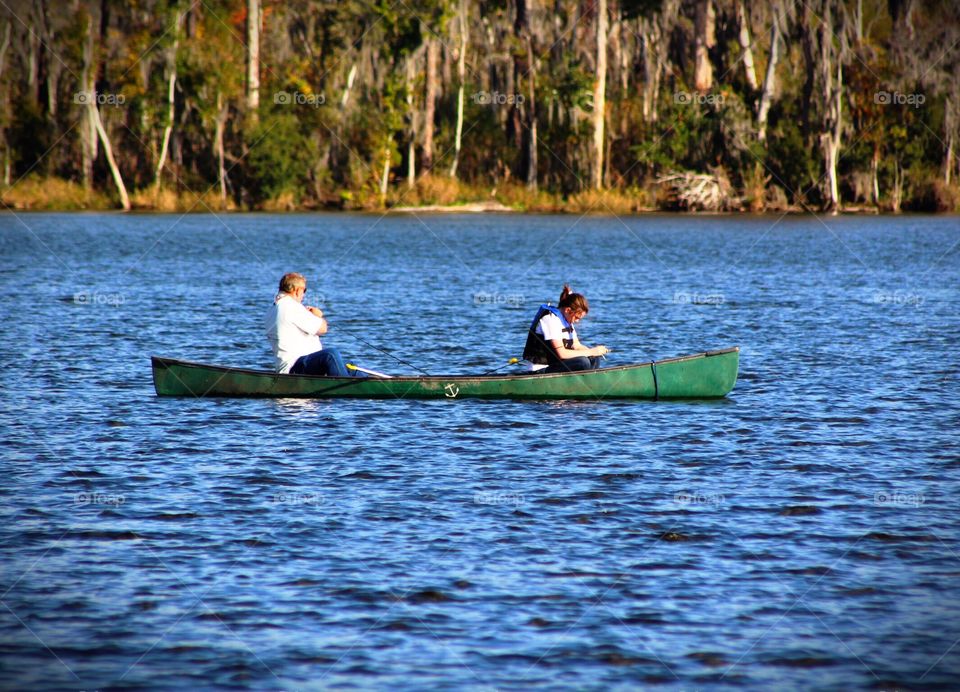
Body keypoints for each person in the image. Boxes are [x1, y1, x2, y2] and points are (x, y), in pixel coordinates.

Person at [264, 272, 361, 377]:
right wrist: (318, 315)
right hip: (294, 366)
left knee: (350, 367)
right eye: (304, 291)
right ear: (297, 291)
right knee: (331, 355)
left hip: (295, 365)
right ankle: (344, 390)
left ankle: (370, 385)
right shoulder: (291, 307)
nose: (304, 295)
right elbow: (323, 328)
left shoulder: (272, 309)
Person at [522, 285, 609, 373]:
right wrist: (591, 352)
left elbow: (577, 346)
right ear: (568, 310)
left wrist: (596, 352)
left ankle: (590, 383)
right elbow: (562, 354)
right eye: (576, 317)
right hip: (540, 369)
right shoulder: (550, 319)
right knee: (583, 362)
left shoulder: (567, 319)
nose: (577, 321)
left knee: (594, 358)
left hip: (556, 365)